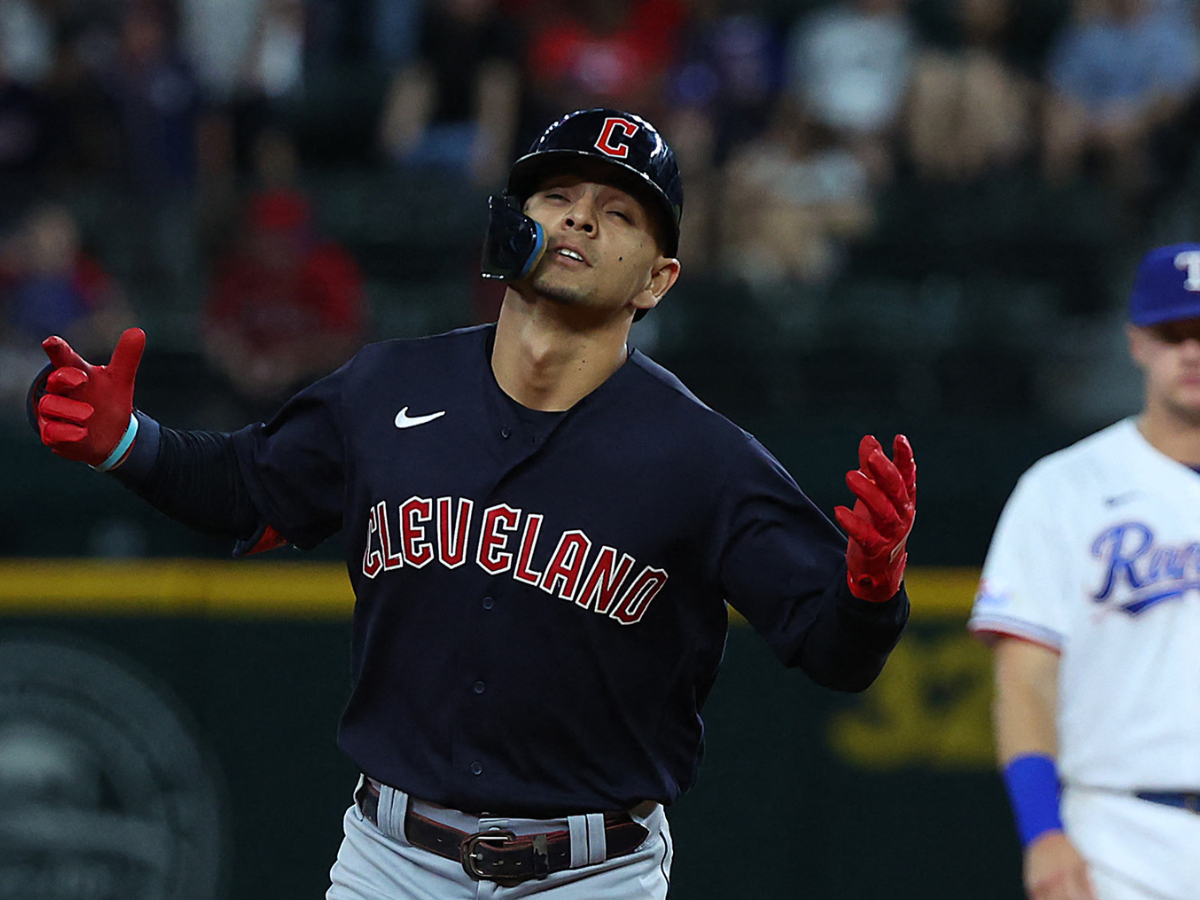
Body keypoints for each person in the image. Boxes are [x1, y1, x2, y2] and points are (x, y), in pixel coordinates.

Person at [31, 108, 916, 899]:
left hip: (591, 874)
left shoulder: (705, 459)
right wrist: (129, 444)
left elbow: (834, 649)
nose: (578, 217)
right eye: (557, 195)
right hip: (390, 862)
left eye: (619, 213)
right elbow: (244, 491)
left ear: (657, 280)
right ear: (511, 222)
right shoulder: (385, 389)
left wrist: (872, 583)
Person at [969, 243, 1200, 900]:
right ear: (1136, 343)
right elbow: (1024, 682)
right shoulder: (1065, 487)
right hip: (1120, 834)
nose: (1192, 351)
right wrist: (1043, 831)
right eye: (1173, 332)